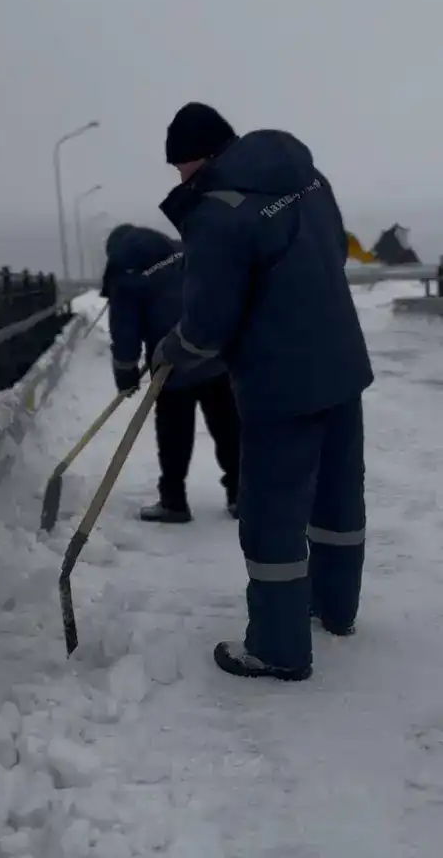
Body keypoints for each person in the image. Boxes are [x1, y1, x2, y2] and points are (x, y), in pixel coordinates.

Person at [153, 102, 374, 681]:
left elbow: (206, 325)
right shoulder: (307, 176)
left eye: (180, 166)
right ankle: (336, 608)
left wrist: (174, 350)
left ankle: (277, 647)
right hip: (342, 363)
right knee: (337, 497)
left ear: (202, 157)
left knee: (273, 514)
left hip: (281, 382)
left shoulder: (217, 211)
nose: (179, 178)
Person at [101, 222, 241, 524]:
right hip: (213, 353)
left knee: (174, 434)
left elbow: (124, 329)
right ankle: (243, 495)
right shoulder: (184, 249)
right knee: (229, 428)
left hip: (171, 364)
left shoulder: (125, 272)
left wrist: (125, 371)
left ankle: (174, 502)